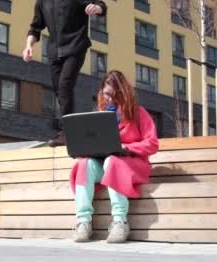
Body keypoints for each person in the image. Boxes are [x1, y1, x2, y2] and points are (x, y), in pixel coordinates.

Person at [23, 0, 107, 147]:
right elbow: (35, 28)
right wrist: (29, 45)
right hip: (55, 52)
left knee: (65, 85)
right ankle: (69, 130)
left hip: (76, 46)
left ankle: (66, 132)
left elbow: (101, 5)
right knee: (60, 92)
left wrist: (97, 8)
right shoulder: (42, 1)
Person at [68, 70, 159, 243]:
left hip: (134, 166)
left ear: (121, 92)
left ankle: (120, 221)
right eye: (105, 94)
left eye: (111, 94)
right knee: (84, 164)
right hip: (107, 165)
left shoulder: (139, 113)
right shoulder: (101, 116)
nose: (107, 98)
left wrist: (127, 147)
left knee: (112, 161)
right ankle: (83, 222)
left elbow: (153, 143)